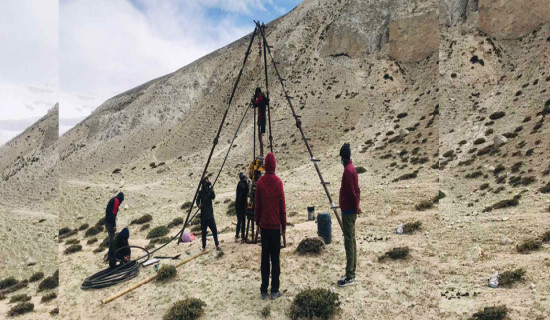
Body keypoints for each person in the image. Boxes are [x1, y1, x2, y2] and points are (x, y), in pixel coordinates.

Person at [255, 152, 286, 300]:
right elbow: (282, 207)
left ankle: (263, 289)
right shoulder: (278, 182)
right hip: (275, 227)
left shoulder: (260, 182)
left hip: (264, 227)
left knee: (264, 259)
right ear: (274, 165)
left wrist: (257, 221)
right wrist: (283, 225)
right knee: (275, 259)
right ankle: (274, 289)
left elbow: (257, 205)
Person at [337, 143, 361, 287]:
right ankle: (352, 270)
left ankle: (350, 275)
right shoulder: (352, 169)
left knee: (349, 242)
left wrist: (355, 206)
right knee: (352, 240)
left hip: (348, 211)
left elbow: (352, 192)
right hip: (351, 210)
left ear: (343, 157)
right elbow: (357, 190)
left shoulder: (348, 171)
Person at [197, 177, 220, 251]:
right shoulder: (201, 192)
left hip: (210, 215)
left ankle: (217, 244)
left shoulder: (209, 191)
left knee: (214, 231)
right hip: (204, 216)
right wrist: (198, 205)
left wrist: (212, 189)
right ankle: (204, 247)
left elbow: (213, 197)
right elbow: (197, 201)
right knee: (204, 233)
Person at [105, 192, 124, 269]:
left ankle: (111, 257)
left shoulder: (113, 199)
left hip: (107, 221)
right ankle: (111, 258)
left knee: (112, 240)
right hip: (110, 223)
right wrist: (114, 225)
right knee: (113, 241)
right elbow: (113, 214)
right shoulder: (116, 201)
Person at [251, 87, 268, 157]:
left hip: (261, 120)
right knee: (260, 137)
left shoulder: (261, 99)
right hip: (262, 120)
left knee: (260, 137)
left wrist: (253, 99)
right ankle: (262, 153)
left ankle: (262, 154)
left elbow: (255, 104)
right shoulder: (263, 98)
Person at [235, 172, 249, 243]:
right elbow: (245, 190)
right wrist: (247, 183)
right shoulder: (240, 184)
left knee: (242, 221)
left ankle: (242, 236)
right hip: (239, 206)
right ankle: (237, 236)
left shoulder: (242, 184)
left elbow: (246, 191)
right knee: (240, 221)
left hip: (241, 205)